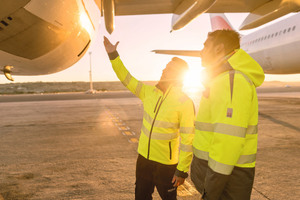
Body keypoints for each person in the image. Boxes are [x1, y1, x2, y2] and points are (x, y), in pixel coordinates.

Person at [103, 36, 195, 200]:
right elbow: (126, 78)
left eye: (170, 69)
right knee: (141, 197)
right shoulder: (148, 92)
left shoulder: (184, 102)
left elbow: (188, 140)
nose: (164, 70)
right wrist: (113, 55)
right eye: (165, 67)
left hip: (166, 165)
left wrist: (182, 170)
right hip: (144, 160)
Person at [191, 30, 265, 200]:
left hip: (225, 183)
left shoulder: (232, 80)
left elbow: (227, 141)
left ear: (219, 49)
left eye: (205, 46)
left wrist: (210, 191)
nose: (201, 51)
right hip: (221, 179)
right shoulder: (222, 78)